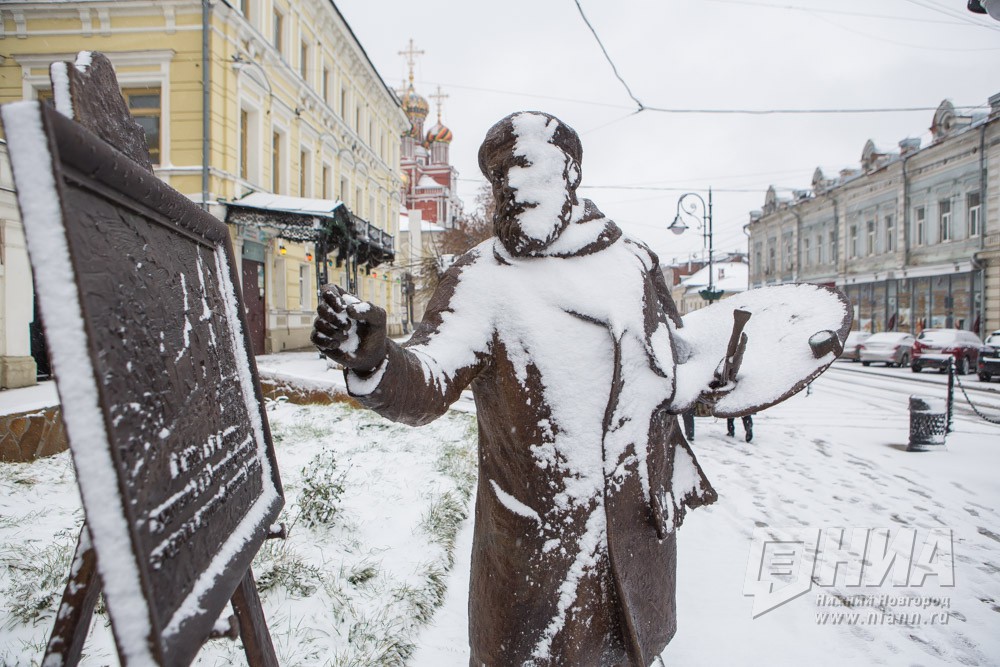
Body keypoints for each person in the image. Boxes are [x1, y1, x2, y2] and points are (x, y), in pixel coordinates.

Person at [312, 111, 724, 666]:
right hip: (534, 556)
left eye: (523, 165)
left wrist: (726, 379)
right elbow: (430, 380)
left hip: (632, 545)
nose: (509, 185)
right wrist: (376, 358)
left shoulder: (633, 264)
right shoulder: (480, 277)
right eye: (497, 175)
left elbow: (682, 367)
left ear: (568, 173)